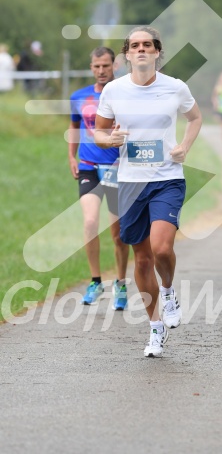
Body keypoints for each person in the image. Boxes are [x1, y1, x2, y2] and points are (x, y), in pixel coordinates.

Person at [94, 26, 202, 357]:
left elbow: (195, 118)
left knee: (162, 248)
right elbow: (98, 132)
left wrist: (184, 145)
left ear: (157, 52)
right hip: (130, 182)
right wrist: (109, 140)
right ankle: (155, 328)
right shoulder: (113, 90)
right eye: (135, 45)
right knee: (141, 259)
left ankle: (168, 291)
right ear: (126, 54)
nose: (141, 49)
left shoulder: (175, 87)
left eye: (148, 45)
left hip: (168, 178)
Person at [68, 46, 129, 309]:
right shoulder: (79, 96)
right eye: (96, 66)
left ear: (114, 66)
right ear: (91, 67)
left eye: (106, 65)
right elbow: (74, 126)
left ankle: (121, 283)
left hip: (118, 167)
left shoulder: (125, 94)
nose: (101, 71)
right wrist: (71, 156)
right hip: (89, 167)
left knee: (117, 233)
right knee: (91, 222)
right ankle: (95, 281)